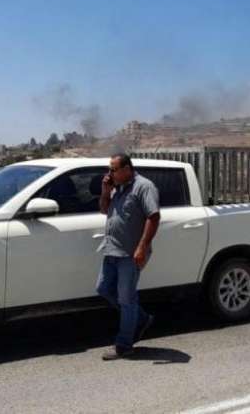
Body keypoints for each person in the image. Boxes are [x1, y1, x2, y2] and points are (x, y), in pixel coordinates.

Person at [96, 153, 160, 360]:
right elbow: (104, 210)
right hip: (112, 249)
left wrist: (142, 247)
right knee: (104, 288)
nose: (110, 174)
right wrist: (106, 192)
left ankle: (124, 345)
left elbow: (153, 217)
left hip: (130, 253)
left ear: (126, 169)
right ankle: (140, 319)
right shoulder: (118, 188)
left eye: (113, 170)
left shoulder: (144, 187)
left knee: (126, 298)